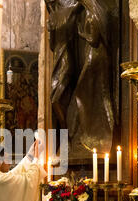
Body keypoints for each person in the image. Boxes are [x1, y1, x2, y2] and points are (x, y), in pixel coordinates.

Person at [45, 0, 115, 157]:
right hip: (58, 58)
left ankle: (76, 135)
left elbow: (92, 36)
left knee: (67, 95)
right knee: (55, 100)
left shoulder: (72, 8)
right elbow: (51, 45)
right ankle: (66, 136)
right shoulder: (54, 16)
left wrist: (80, 32)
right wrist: (51, 30)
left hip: (67, 60)